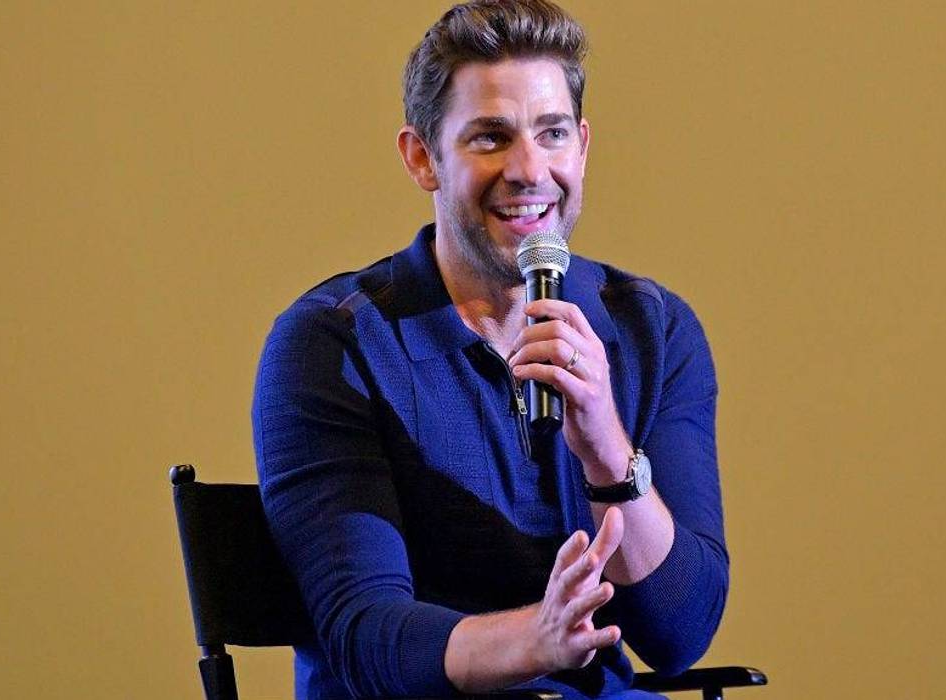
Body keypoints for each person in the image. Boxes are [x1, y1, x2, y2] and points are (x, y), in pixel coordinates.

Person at [252, 1, 728, 698]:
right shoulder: (334, 344)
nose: (529, 170)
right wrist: (536, 639)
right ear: (423, 159)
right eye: (489, 138)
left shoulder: (652, 329)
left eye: (552, 133)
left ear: (583, 146)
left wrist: (604, 447)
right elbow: (363, 636)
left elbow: (680, 635)